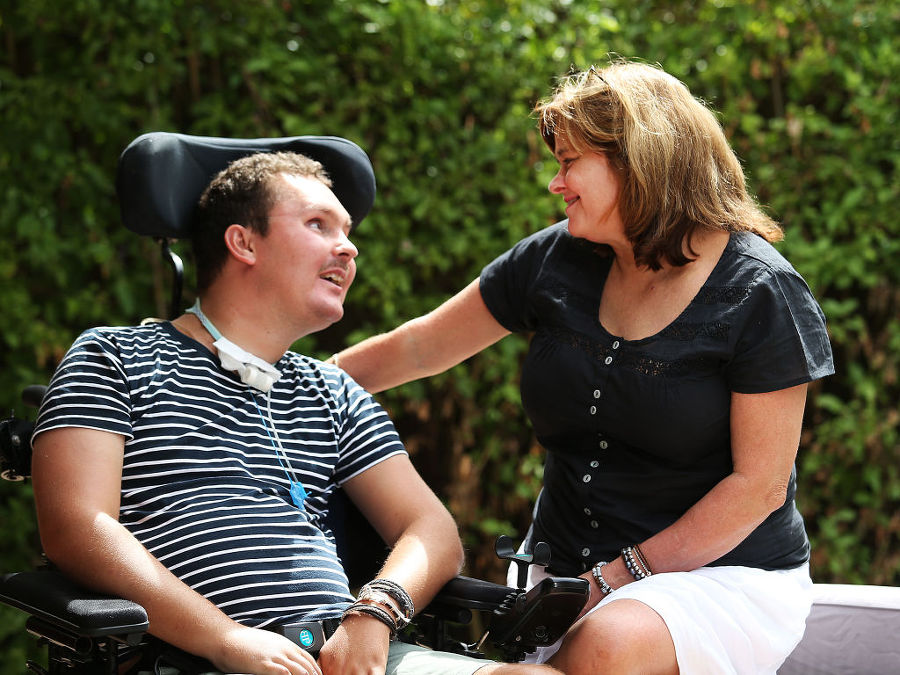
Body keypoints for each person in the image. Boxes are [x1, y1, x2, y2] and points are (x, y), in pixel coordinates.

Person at [329, 60, 835, 675]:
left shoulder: (762, 292)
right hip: (565, 577)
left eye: (569, 162)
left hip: (721, 576)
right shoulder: (556, 258)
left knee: (606, 645)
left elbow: (758, 488)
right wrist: (293, 383)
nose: (556, 183)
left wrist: (613, 579)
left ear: (639, 162)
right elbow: (419, 348)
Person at [30, 150, 561, 675]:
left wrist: (375, 613)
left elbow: (433, 530)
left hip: (341, 654)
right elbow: (77, 526)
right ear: (243, 242)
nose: (348, 247)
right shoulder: (115, 357)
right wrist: (225, 638)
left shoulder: (331, 390)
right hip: (187, 656)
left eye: (347, 231)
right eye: (318, 224)